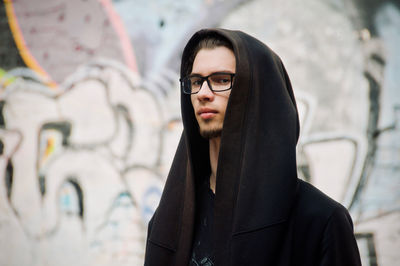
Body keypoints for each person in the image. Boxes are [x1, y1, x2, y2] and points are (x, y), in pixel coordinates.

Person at [144, 28, 361, 266]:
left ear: (257, 92)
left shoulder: (320, 221)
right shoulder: (170, 221)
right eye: (196, 82)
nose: (203, 93)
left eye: (221, 80)